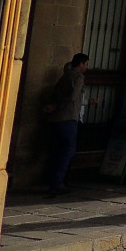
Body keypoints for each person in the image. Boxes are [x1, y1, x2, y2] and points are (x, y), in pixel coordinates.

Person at [42, 53, 89, 197]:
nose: (87, 67)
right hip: (68, 118)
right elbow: (72, 97)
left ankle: (53, 181)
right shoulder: (78, 77)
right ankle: (58, 183)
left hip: (55, 119)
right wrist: (56, 107)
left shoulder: (64, 76)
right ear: (81, 64)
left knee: (56, 151)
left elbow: (56, 94)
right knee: (67, 151)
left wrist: (52, 106)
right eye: (86, 64)